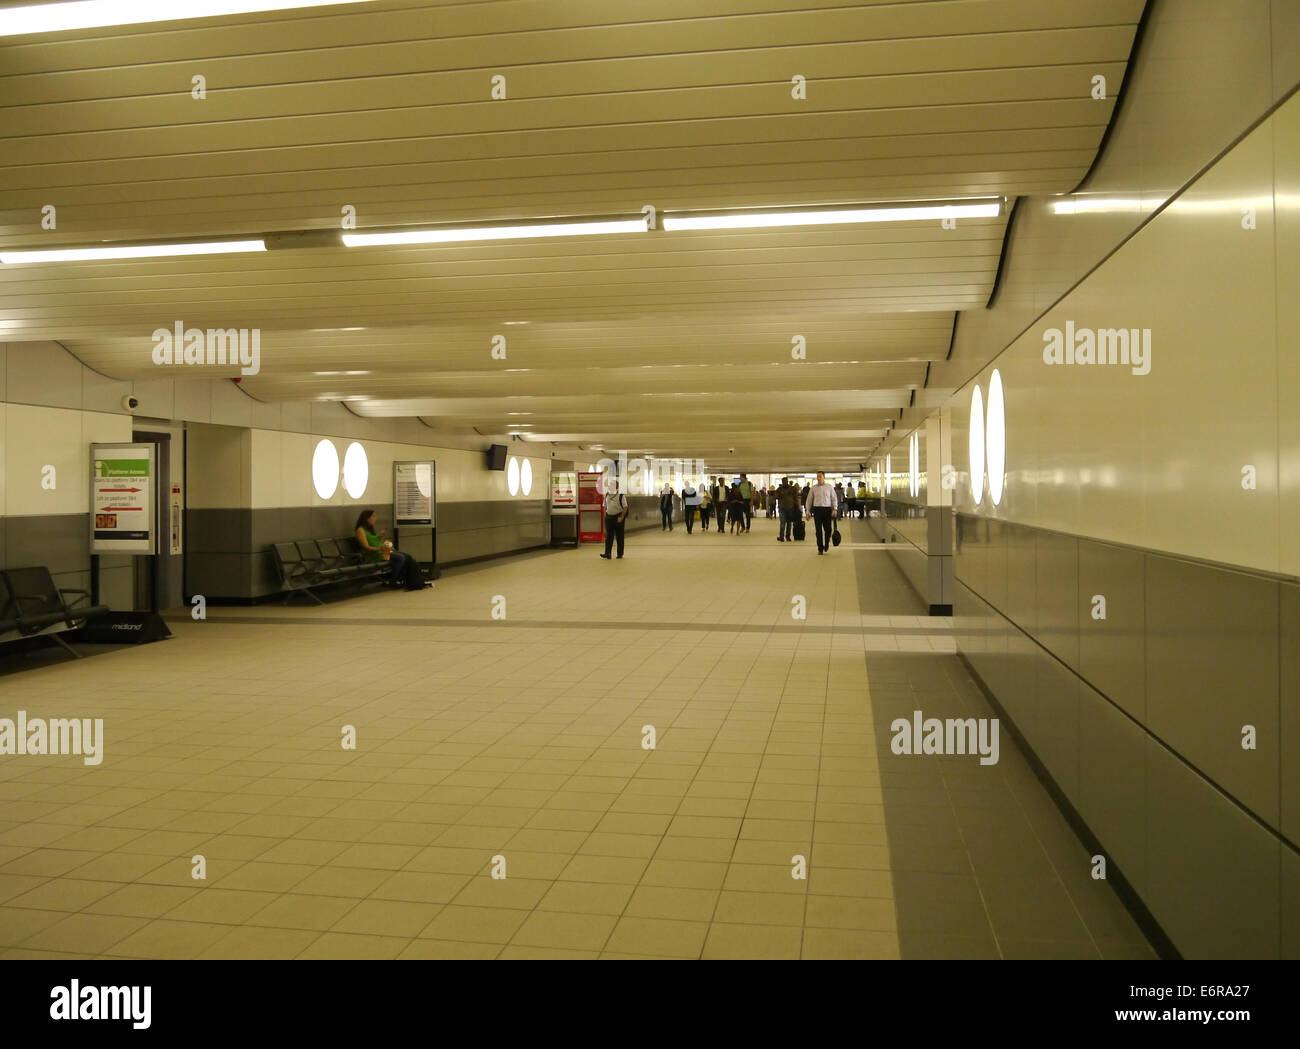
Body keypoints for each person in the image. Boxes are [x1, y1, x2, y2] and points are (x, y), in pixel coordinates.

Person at [354, 509, 429, 590]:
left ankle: (409, 579)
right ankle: (393, 579)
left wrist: (380, 537)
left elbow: (375, 541)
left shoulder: (369, 529)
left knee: (407, 556)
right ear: (367, 518)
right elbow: (366, 547)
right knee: (400, 558)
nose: (375, 518)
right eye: (373, 516)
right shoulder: (360, 530)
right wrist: (381, 548)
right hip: (373, 555)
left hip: (381, 552)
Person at [804, 471, 839, 555]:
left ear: (824, 477)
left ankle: (826, 543)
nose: (818, 478)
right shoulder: (813, 488)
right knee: (818, 530)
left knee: (828, 529)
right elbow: (809, 500)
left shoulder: (829, 487)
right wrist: (808, 511)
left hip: (827, 510)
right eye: (817, 476)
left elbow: (834, 498)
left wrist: (835, 508)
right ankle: (820, 548)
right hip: (817, 510)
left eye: (820, 476)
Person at [601, 480, 629, 559]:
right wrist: (605, 515)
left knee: (619, 536)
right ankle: (607, 553)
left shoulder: (621, 496)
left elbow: (625, 507)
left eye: (612, 485)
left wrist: (621, 517)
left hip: (618, 517)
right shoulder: (607, 495)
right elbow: (605, 506)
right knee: (608, 536)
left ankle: (620, 554)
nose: (610, 486)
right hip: (609, 517)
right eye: (610, 485)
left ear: (616, 487)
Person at [776, 477, 799, 542]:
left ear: (787, 481)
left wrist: (797, 507)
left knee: (789, 523)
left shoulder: (792, 488)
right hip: (782, 508)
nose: (784, 483)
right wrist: (780, 495)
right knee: (782, 523)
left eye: (785, 481)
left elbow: (795, 497)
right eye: (783, 481)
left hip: (790, 508)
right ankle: (781, 537)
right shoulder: (779, 489)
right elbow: (776, 496)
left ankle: (788, 537)